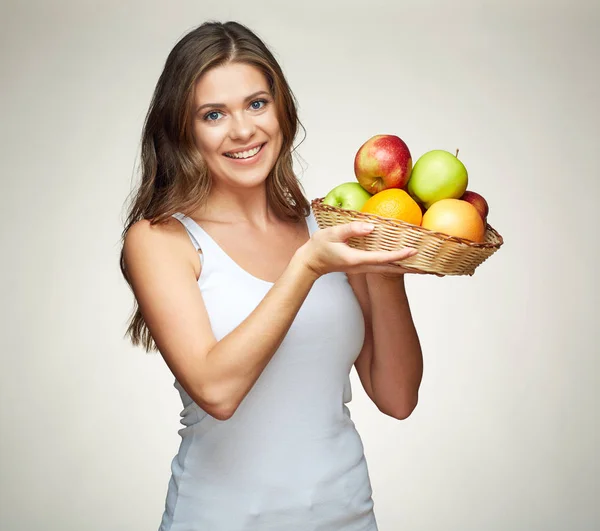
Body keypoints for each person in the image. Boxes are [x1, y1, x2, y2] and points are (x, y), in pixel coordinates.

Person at [120, 20, 424, 531]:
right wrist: (306, 266)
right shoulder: (162, 240)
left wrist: (386, 271)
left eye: (257, 104)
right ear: (184, 128)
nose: (243, 130)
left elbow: (397, 397)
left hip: (346, 517)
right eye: (213, 114)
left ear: (281, 109)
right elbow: (216, 391)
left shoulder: (326, 225)